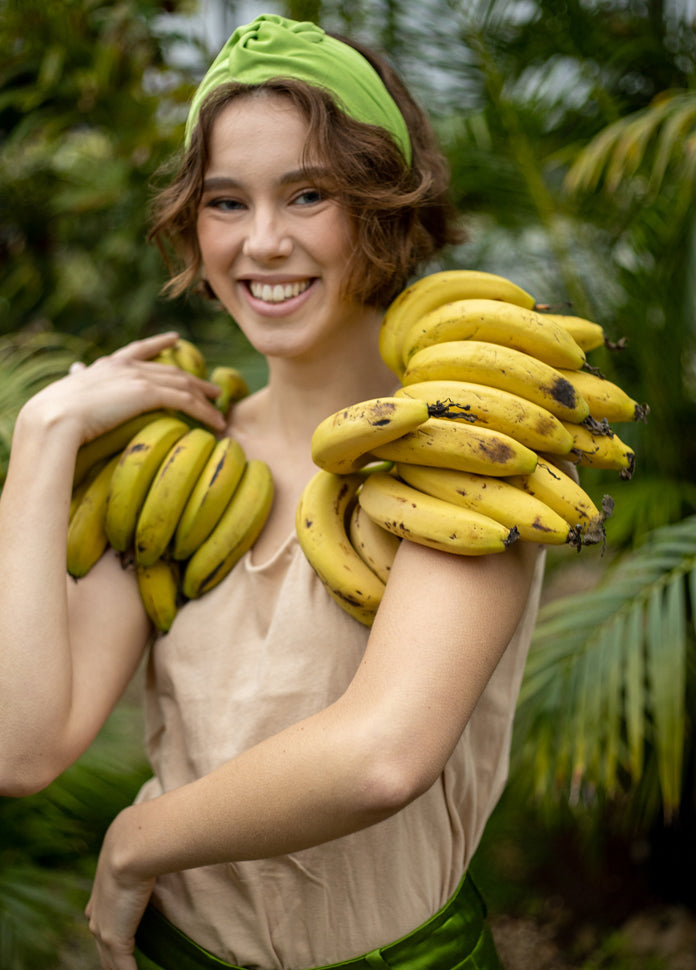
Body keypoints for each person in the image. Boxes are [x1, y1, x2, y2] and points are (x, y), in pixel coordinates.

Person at [0, 13, 546, 970]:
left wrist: (136, 844)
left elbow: (384, 756)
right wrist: (43, 440)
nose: (260, 243)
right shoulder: (179, 466)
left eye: (307, 194)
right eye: (223, 201)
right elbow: (21, 748)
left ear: (383, 201)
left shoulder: (475, 437)